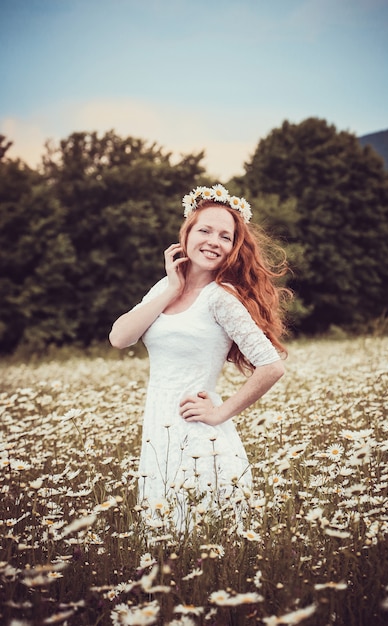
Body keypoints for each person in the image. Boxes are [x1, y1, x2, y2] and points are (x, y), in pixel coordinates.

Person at [109, 184, 289, 529]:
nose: (213, 241)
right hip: (159, 430)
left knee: (200, 540)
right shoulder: (164, 287)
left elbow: (271, 366)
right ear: (186, 234)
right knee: (164, 540)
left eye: (225, 236)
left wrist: (220, 412)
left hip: (198, 433)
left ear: (233, 247)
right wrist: (173, 288)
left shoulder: (221, 297)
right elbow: (120, 337)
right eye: (204, 230)